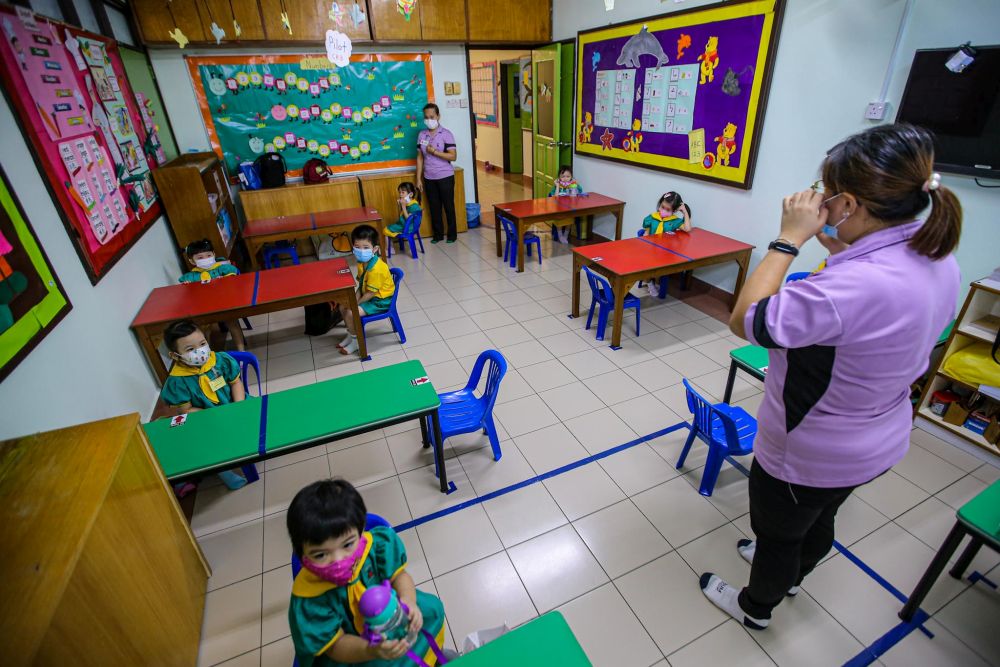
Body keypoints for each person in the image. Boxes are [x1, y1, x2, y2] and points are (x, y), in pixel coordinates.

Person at [699, 124, 961, 630]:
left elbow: (746, 320)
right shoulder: (936, 255)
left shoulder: (850, 288)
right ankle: (794, 575)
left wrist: (788, 239)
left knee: (778, 535)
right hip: (877, 438)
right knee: (820, 517)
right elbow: (872, 300)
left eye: (828, 194)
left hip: (811, 450)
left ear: (850, 204)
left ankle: (757, 607)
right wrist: (839, 247)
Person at [286, 479, 449, 667]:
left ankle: (433, 656)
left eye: (347, 544)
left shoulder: (375, 548)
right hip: (354, 648)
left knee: (432, 610)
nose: (339, 560)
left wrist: (408, 601)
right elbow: (335, 646)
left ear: (361, 530)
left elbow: (399, 576)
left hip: (390, 617)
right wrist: (370, 650)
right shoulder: (309, 599)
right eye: (321, 554)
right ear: (302, 554)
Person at [160, 319, 248, 491]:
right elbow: (186, 410)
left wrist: (238, 407)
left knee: (256, 419)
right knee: (206, 447)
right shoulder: (178, 381)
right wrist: (215, 416)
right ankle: (227, 474)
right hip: (204, 417)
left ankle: (245, 449)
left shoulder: (220, 360)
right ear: (175, 356)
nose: (199, 351)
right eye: (190, 349)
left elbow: (236, 383)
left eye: (202, 344)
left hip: (233, 406)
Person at [178, 238, 246, 351]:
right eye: (200, 258)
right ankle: (208, 352)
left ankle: (241, 349)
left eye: (209, 255)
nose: (206, 259)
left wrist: (226, 278)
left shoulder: (220, 268)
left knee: (233, 324)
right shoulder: (192, 276)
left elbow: (233, 274)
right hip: (204, 306)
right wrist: (187, 285)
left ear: (213, 254)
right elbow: (187, 289)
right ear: (192, 261)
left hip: (225, 303)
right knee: (203, 329)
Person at [336, 225, 394, 356]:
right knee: (342, 307)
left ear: (375, 249)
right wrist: (352, 301)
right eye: (357, 247)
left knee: (351, 313)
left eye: (366, 247)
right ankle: (350, 335)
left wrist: (355, 305)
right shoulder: (362, 262)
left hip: (379, 301)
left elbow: (370, 293)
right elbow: (361, 286)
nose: (361, 251)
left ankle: (357, 342)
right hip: (368, 295)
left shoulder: (377, 269)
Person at [415, 103, 458, 244]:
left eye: (432, 117)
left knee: (448, 206)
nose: (429, 120)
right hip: (429, 177)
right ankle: (438, 235)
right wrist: (418, 179)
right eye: (426, 117)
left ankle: (452, 235)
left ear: (438, 116)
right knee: (434, 207)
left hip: (445, 176)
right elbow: (420, 157)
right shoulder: (422, 134)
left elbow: (453, 156)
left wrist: (435, 152)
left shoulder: (446, 134)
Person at [641, 192, 692, 297]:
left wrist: (684, 211)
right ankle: (650, 283)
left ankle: (656, 282)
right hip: (650, 249)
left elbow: (687, 229)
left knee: (662, 268)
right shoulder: (651, 218)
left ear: (674, 211)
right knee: (645, 266)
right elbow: (645, 234)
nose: (663, 210)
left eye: (668, 209)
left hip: (664, 252)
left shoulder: (674, 221)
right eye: (662, 207)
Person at [548, 165, 584, 243]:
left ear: (571, 177)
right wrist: (557, 185)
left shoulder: (572, 184)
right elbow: (555, 196)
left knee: (570, 218)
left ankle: (566, 235)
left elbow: (580, 191)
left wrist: (576, 184)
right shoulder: (557, 185)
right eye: (563, 176)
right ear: (559, 177)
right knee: (559, 218)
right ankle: (560, 235)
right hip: (558, 207)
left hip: (569, 207)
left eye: (568, 176)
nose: (565, 178)